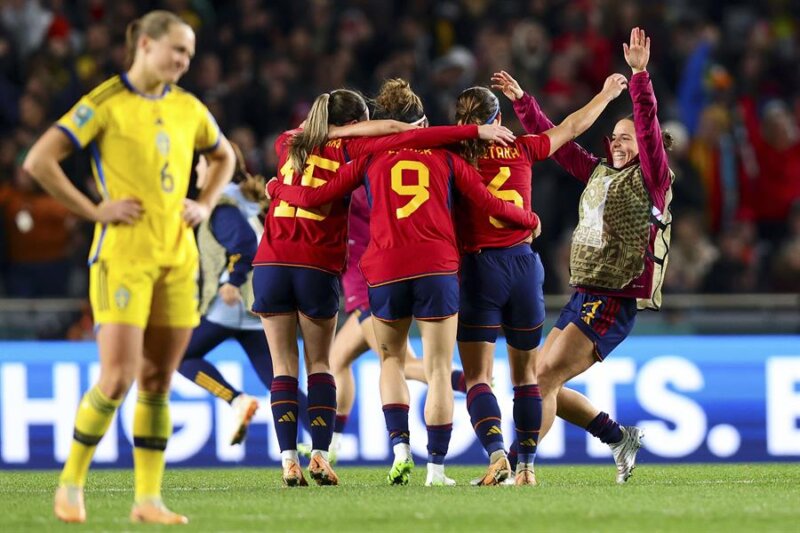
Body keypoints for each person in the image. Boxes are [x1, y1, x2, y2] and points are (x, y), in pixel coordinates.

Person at [266, 79, 540, 487]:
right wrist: (527, 219)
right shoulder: (441, 155)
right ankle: (437, 469)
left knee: (387, 361)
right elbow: (486, 200)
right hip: (437, 267)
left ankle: (396, 449)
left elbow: (314, 196)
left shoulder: (353, 156)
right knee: (436, 367)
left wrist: (278, 189)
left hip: (374, 270)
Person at [23, 10, 235, 524]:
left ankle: (148, 499)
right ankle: (71, 483)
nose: (185, 61)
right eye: (177, 50)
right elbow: (39, 160)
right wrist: (94, 209)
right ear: (144, 44)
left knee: (159, 379)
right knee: (117, 378)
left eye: (189, 53)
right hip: (124, 257)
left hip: (178, 258)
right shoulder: (106, 102)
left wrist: (204, 204)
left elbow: (225, 156)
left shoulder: (189, 107)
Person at [494, 27, 673, 484]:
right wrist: (522, 103)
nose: (617, 142)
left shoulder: (653, 180)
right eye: (614, 136)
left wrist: (639, 78)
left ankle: (513, 466)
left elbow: (649, 128)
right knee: (538, 376)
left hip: (613, 300)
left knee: (544, 378)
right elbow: (554, 142)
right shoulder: (597, 173)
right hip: (584, 293)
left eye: (626, 138)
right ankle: (618, 438)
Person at [453, 75, 627, 485]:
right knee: (527, 378)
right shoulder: (522, 148)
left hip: (480, 269)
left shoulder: (455, 155)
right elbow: (571, 127)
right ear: (499, 118)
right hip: (524, 268)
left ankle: (498, 455)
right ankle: (526, 469)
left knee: (478, 377)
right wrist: (605, 93)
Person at [307, 182, 468, 465]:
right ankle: (333, 442)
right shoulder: (375, 189)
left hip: (369, 284)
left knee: (398, 363)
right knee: (337, 360)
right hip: (369, 285)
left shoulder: (359, 189)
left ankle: (465, 381)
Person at [177, 144, 311, 446]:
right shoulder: (249, 196)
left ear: (212, 167)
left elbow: (244, 245)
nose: (195, 170)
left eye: (197, 164)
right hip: (263, 298)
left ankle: (236, 400)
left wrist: (231, 280)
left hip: (233, 300)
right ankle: (322, 438)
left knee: (183, 356)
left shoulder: (222, 204)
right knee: (277, 377)